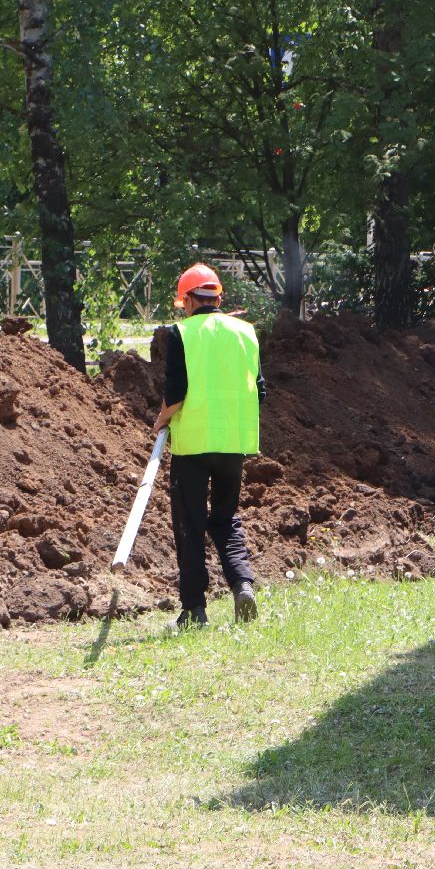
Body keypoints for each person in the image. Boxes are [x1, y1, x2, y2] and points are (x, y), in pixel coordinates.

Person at [153, 263, 265, 627]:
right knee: (225, 519)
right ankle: (242, 583)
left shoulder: (182, 333)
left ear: (187, 300)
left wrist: (162, 419)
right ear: (218, 297)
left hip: (193, 446)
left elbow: (176, 393)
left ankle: (194, 610)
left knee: (190, 524)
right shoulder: (246, 332)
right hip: (234, 444)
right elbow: (260, 390)